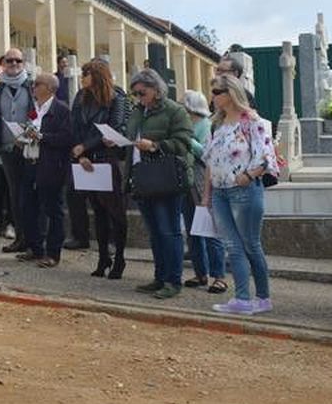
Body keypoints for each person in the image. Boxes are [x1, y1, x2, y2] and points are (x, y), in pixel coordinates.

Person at [203, 78, 277, 314]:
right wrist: (207, 193)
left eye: (217, 91)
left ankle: (262, 297)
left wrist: (249, 174)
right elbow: (209, 161)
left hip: (243, 188)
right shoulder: (217, 123)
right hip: (220, 190)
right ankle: (243, 298)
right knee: (232, 246)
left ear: (231, 93)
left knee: (250, 244)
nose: (213, 95)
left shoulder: (251, 120)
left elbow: (266, 154)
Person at [125, 68, 193, 299]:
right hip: (142, 176)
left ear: (155, 90)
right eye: (133, 93)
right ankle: (160, 276)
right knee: (154, 232)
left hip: (164, 178)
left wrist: (154, 145)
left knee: (169, 231)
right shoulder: (137, 112)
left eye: (141, 92)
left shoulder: (175, 111)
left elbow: (184, 142)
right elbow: (130, 136)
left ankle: (173, 280)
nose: (137, 97)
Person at [70, 58, 129, 279]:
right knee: (98, 212)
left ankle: (120, 257)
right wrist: (81, 154)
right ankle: (103, 256)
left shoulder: (117, 96)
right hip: (86, 160)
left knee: (116, 212)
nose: (82, 77)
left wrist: (86, 146)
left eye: (86, 73)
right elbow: (75, 125)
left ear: (97, 75)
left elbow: (114, 127)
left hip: (108, 159)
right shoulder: (80, 97)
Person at [13, 73, 73, 267]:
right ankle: (35, 247)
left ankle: (53, 253)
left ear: (50, 88)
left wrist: (42, 137)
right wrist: (22, 138)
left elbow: (66, 138)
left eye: (37, 84)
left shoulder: (61, 110)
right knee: (27, 207)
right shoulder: (34, 109)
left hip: (50, 165)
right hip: (30, 162)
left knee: (52, 209)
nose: (33, 87)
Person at [0, 48, 36, 254]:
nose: (14, 64)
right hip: (8, 148)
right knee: (15, 194)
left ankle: (34, 239)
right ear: (4, 64)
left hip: (30, 148)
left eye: (18, 60)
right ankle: (20, 237)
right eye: (10, 60)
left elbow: (36, 113)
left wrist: (27, 134)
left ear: (23, 63)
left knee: (30, 194)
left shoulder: (31, 86)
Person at [181, 90, 227, 294]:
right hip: (187, 183)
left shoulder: (206, 125)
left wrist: (186, 140)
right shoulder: (187, 125)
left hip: (202, 182)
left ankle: (219, 276)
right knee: (193, 230)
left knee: (210, 231)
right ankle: (200, 272)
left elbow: (205, 154)